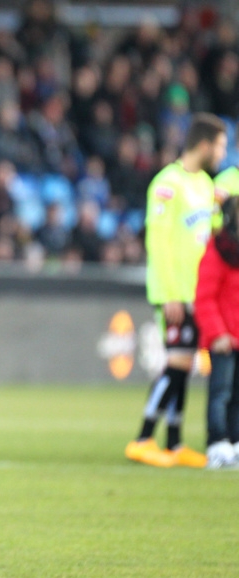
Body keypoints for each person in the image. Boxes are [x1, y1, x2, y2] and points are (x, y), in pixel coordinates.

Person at [125, 114, 228, 468]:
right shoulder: (167, 184)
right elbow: (159, 241)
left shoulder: (203, 185)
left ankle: (173, 443)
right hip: (174, 292)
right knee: (176, 364)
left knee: (182, 368)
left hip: (196, 291)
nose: (222, 153)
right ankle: (141, 439)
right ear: (204, 144)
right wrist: (169, 292)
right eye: (221, 145)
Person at [195, 196, 239, 469]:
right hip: (223, 338)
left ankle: (235, 442)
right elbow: (205, 297)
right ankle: (217, 442)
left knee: (237, 395)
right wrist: (217, 333)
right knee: (220, 392)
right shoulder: (218, 250)